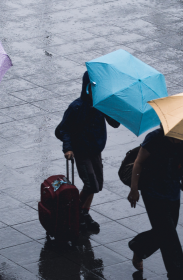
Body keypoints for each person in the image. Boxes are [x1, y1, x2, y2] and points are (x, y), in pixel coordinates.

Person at [126, 126, 183, 280]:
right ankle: (177, 276)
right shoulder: (154, 138)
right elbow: (138, 163)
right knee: (170, 239)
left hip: (173, 193)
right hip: (153, 193)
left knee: (166, 231)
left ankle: (139, 246)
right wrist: (134, 189)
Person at [57, 71, 120, 230]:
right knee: (91, 184)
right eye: (93, 89)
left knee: (97, 184)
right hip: (82, 152)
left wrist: (114, 107)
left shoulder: (101, 106)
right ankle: (75, 212)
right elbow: (63, 130)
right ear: (86, 89)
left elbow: (115, 123)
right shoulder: (76, 107)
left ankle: (84, 212)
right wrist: (68, 148)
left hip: (96, 150)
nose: (96, 93)